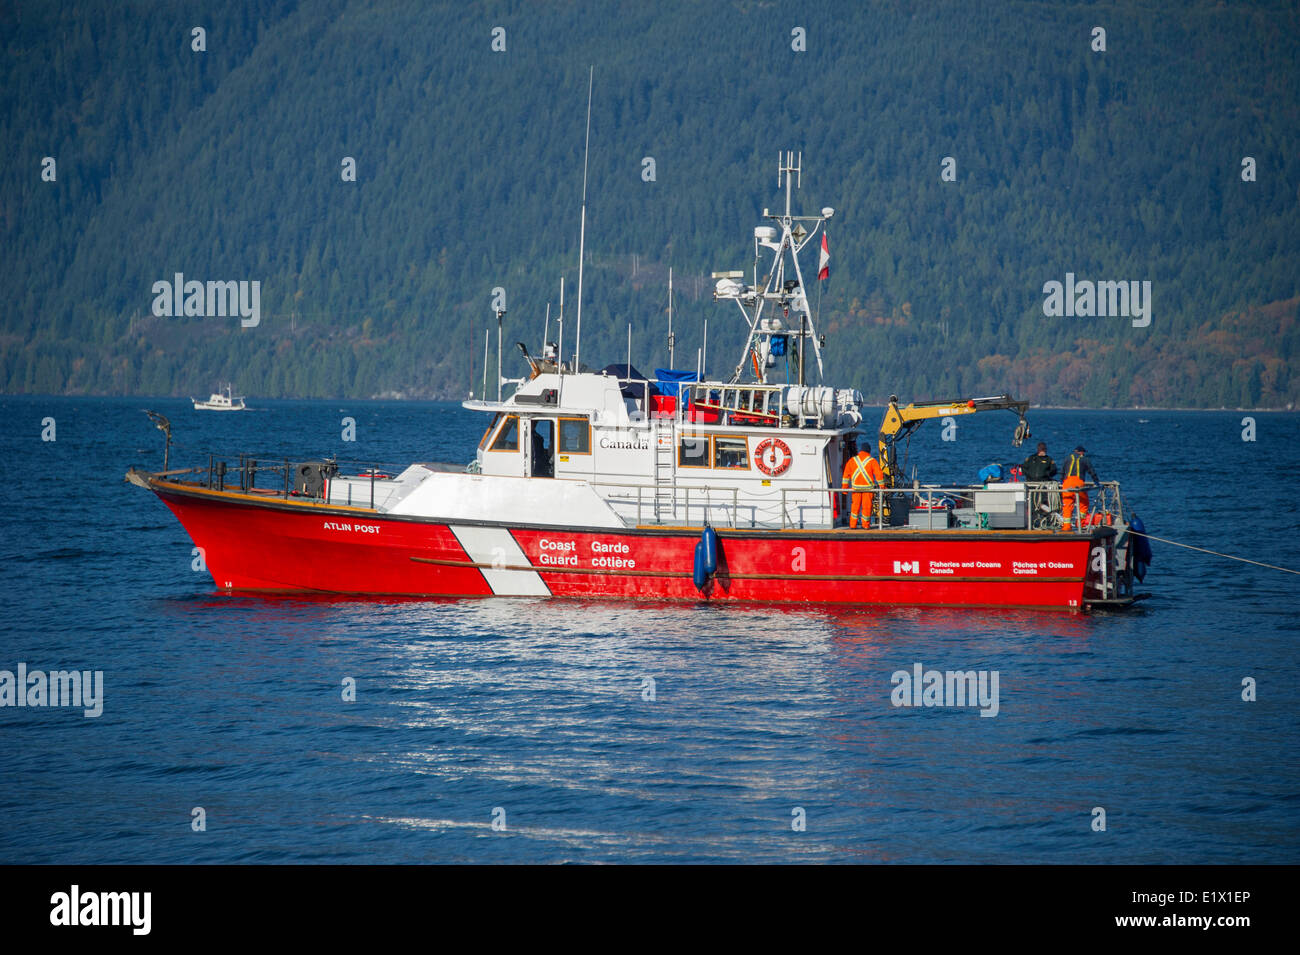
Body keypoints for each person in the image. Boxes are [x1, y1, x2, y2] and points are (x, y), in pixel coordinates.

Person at [842, 445, 885, 528]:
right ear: (869, 451)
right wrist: (882, 486)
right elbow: (879, 474)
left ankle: (853, 525)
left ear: (860, 450)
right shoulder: (872, 461)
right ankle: (865, 526)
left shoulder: (852, 460)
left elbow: (846, 475)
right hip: (868, 489)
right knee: (867, 508)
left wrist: (844, 488)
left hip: (856, 489)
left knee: (855, 507)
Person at [1061, 445, 1099, 530]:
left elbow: (1062, 471)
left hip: (1066, 483)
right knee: (1083, 504)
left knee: (1067, 505)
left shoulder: (1067, 458)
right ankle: (1080, 524)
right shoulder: (1085, 459)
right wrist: (1096, 481)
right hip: (1078, 483)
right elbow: (1091, 471)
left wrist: (1061, 480)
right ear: (1081, 452)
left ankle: (1066, 526)